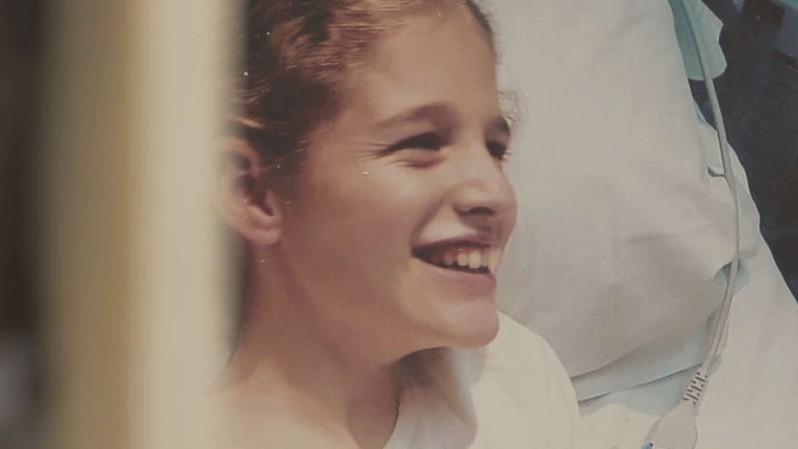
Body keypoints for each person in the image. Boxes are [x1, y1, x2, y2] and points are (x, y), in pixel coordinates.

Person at [215, 1, 580, 447]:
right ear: (253, 192)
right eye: (422, 142)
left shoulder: (514, 382)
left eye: (495, 149)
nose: (495, 193)